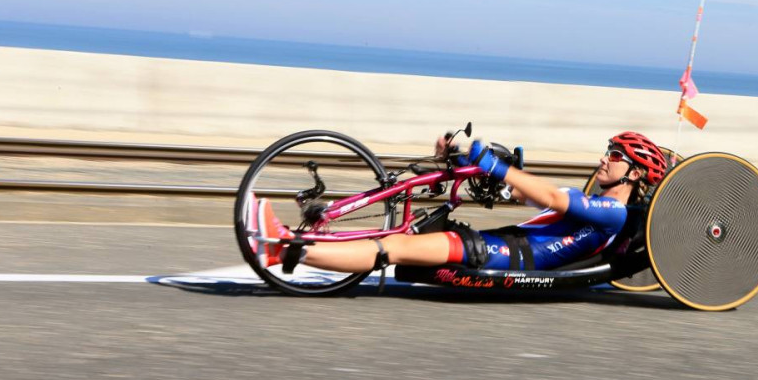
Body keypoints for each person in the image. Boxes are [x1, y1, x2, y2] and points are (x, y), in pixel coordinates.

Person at [248, 131, 668, 274]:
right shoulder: (589, 201)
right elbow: (528, 197)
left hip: (505, 255)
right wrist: (471, 162)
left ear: (635, 173)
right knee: (402, 235)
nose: (603, 159)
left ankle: (283, 247)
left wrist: (496, 166)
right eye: (607, 150)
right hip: (507, 245)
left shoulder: (612, 212)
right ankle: (286, 246)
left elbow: (551, 196)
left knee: (393, 249)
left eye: (615, 156)